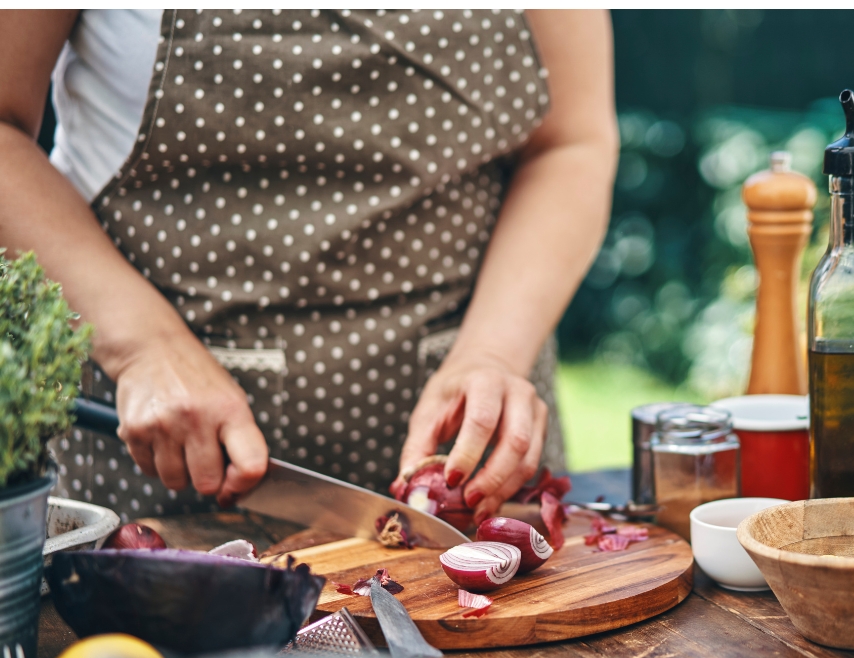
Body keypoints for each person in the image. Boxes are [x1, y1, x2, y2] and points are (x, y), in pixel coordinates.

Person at [0, 10, 617, 522]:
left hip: (471, 480)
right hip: (157, 479)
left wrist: (494, 355)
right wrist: (141, 348)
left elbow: (571, 140)